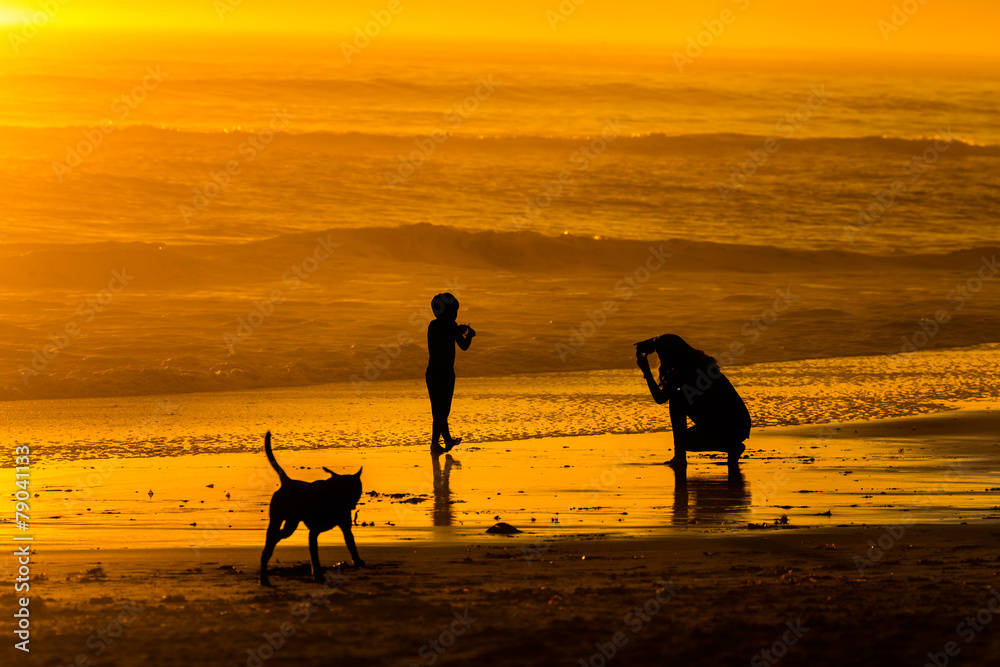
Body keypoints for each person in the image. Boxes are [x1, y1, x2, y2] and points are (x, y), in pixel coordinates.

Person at [636, 334, 751, 468]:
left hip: (728, 426)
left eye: (661, 354)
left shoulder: (681, 371)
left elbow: (661, 398)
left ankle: (681, 456)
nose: (660, 358)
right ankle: (731, 446)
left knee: (677, 402)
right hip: (740, 424)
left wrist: (646, 371)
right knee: (683, 423)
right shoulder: (700, 364)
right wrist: (654, 344)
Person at [426, 292, 475, 454]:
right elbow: (464, 345)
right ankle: (438, 442)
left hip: (434, 373)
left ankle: (443, 441)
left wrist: (467, 335)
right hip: (443, 373)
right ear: (447, 313)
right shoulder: (447, 327)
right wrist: (466, 335)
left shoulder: (435, 326)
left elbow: (462, 344)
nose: (455, 316)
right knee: (442, 410)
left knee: (439, 410)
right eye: (453, 312)